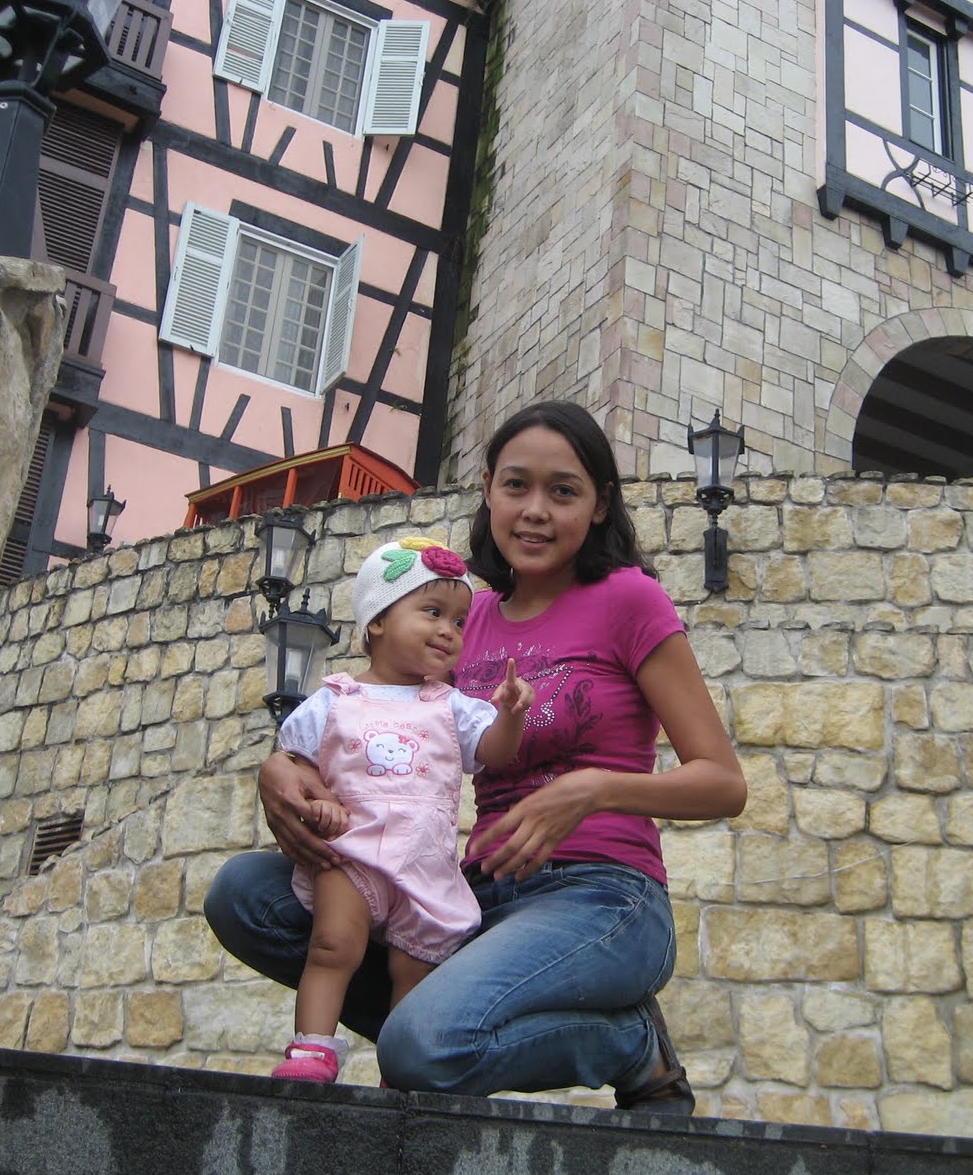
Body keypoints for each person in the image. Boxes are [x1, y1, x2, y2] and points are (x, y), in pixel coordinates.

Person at [205, 400, 745, 1114]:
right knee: (246, 895)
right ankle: (424, 1026)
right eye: (516, 486)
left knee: (421, 1049)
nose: (535, 511)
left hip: (602, 895)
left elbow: (722, 783)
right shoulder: (464, 618)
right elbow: (375, 714)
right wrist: (283, 767)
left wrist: (592, 790)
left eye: (563, 491)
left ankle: (629, 1043)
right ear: (488, 489)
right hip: (471, 893)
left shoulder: (629, 600)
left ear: (599, 505)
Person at [265, 536, 532, 1083]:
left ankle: (400, 1068)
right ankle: (311, 1049)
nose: (448, 630)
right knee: (331, 945)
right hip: (352, 853)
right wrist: (320, 804)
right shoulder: (334, 700)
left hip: (424, 862)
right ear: (378, 621)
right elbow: (295, 768)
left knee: (414, 970)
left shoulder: (453, 706)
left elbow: (496, 753)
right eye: (432, 612)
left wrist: (509, 716)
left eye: (458, 621)